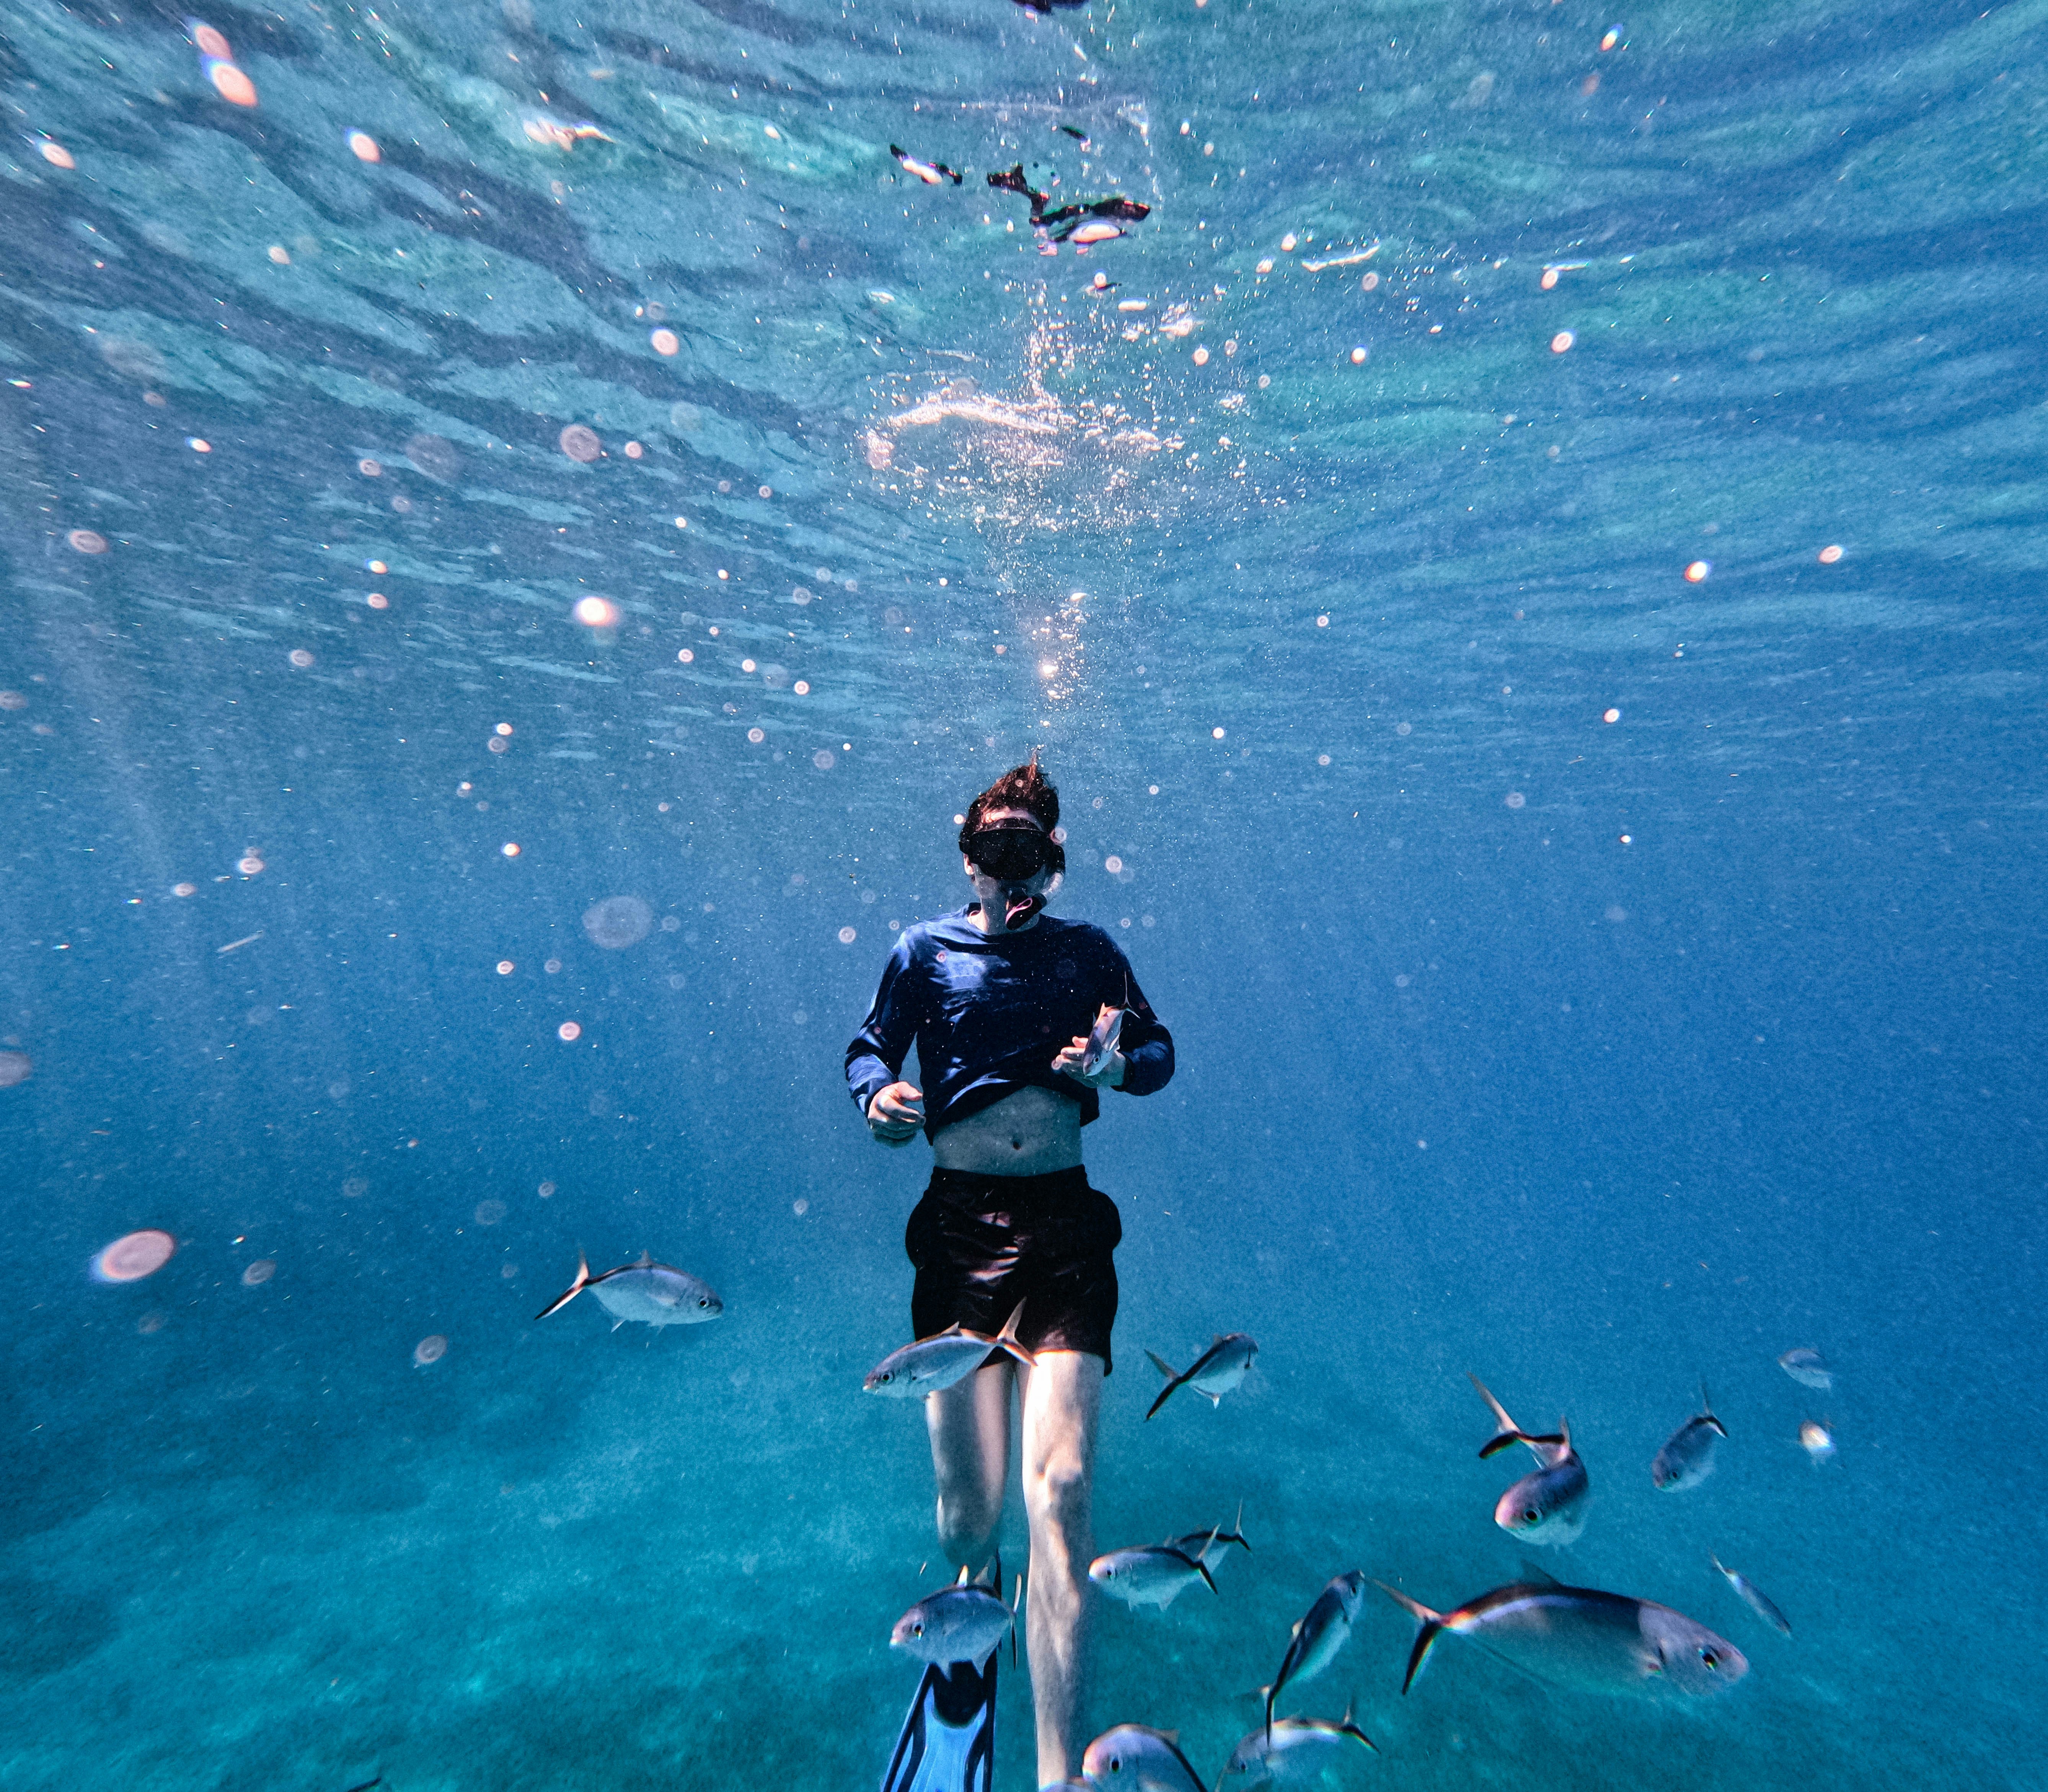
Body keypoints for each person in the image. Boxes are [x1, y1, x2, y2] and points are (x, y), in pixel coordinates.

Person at [848, 759, 1175, 1792]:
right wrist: (878, 1100)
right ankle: (975, 1597)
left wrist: (1118, 1067)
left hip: (1066, 1231)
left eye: (1027, 847)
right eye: (993, 847)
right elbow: (867, 1049)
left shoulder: (1091, 954)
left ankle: (1056, 1774)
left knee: (1064, 1490)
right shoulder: (922, 951)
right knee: (969, 1510)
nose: (1008, 866)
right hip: (956, 1236)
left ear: (1054, 858)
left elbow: (1159, 1051)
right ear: (967, 856)